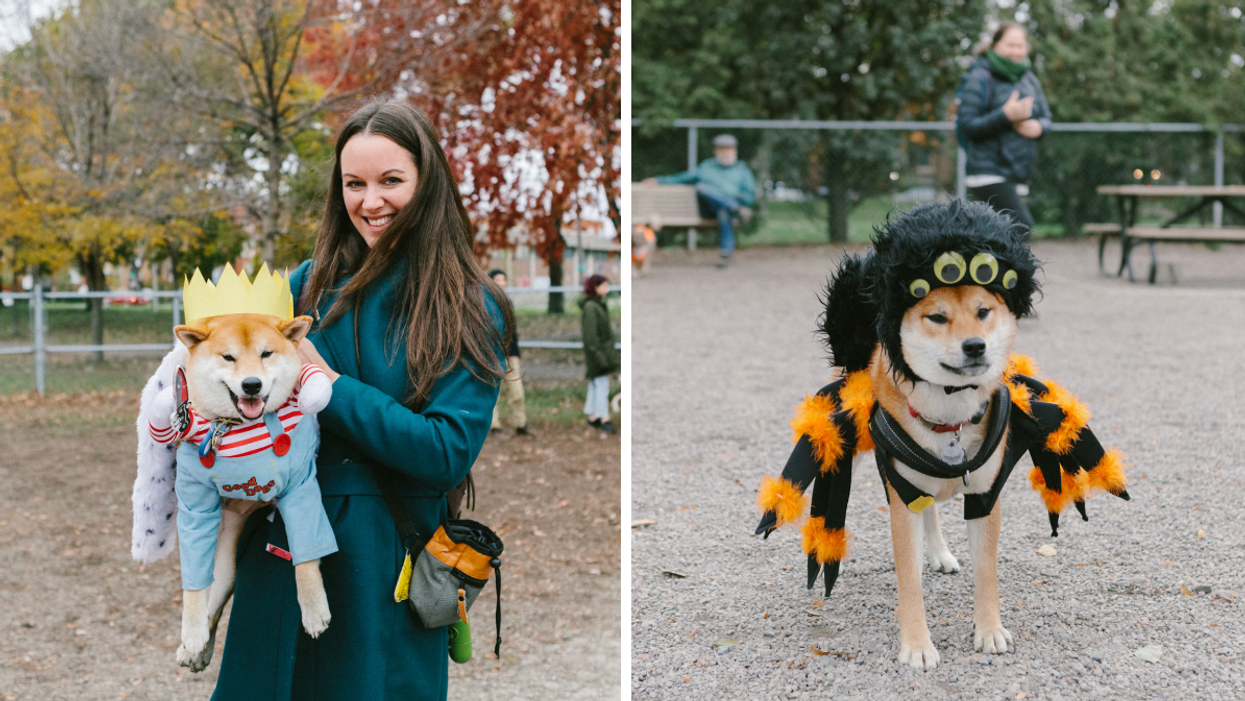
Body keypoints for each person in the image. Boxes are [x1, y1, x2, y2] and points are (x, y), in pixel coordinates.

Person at [209, 99, 513, 700]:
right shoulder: (306, 285)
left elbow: (445, 452)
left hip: (383, 559)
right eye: (354, 183)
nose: (370, 202)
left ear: (428, 185)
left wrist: (329, 388)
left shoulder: (471, 305)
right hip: (282, 552)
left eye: (390, 181)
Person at [956, 22, 1051, 236]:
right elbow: (968, 126)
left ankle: (987, 269)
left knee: (999, 235)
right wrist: (1005, 116)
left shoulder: (1029, 78)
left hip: (1017, 171)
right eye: (1010, 45)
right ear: (995, 45)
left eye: (1020, 45)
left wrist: (1039, 127)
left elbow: (1047, 118)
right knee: (1020, 227)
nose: (1016, 51)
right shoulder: (979, 76)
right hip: (988, 171)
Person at [642, 134, 757, 267]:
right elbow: (682, 178)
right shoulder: (707, 167)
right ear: (716, 151)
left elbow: (750, 198)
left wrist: (736, 194)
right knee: (702, 188)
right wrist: (659, 180)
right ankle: (733, 207)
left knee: (724, 212)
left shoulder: (742, 171)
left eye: (728, 149)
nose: (725, 152)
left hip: (725, 212)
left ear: (734, 151)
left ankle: (725, 255)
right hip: (708, 210)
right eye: (722, 149)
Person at [488, 269, 533, 438]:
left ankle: (521, 424)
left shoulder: (508, 302)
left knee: (518, 393)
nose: (502, 283)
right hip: (493, 356)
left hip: (511, 355)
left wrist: (517, 354)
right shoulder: (486, 303)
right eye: (498, 279)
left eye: (504, 279)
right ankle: (494, 426)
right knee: (495, 395)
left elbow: (513, 331)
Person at [580, 273, 618, 434]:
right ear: (595, 288)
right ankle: (604, 418)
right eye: (604, 286)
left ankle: (592, 416)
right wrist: (600, 357)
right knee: (602, 385)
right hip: (597, 354)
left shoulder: (597, 305)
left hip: (600, 353)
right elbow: (591, 337)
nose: (607, 289)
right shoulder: (591, 308)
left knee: (596, 385)